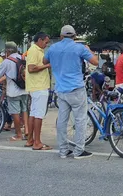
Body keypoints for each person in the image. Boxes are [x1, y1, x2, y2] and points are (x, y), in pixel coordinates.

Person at [45, 25, 99, 159]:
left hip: (61, 90)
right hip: (76, 89)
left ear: (61, 36)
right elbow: (95, 62)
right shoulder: (79, 47)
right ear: (74, 36)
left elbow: (44, 61)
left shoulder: (53, 48)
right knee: (80, 120)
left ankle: (63, 150)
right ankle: (79, 150)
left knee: (62, 120)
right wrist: (89, 50)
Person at [0, 42, 30, 143]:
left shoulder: (7, 61)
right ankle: (27, 131)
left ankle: (18, 134)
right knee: (24, 110)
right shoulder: (24, 58)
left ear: (8, 51)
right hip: (25, 89)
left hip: (13, 91)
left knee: (15, 112)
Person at [25, 32, 51, 150]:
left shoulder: (35, 50)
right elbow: (31, 68)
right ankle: (37, 142)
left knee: (33, 114)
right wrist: (48, 65)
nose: (46, 44)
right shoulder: (34, 50)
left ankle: (31, 140)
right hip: (39, 86)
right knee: (38, 115)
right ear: (40, 40)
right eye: (46, 42)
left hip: (35, 86)